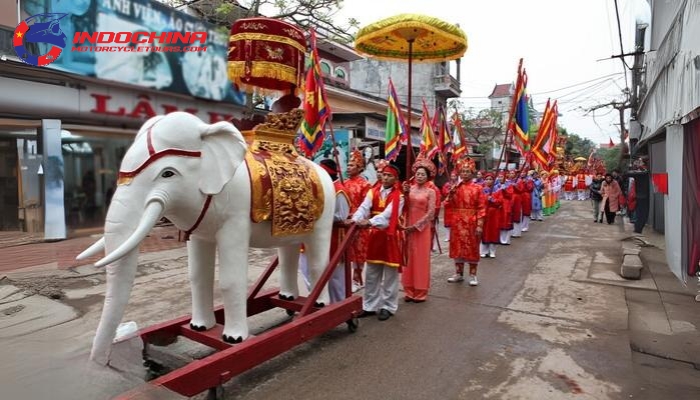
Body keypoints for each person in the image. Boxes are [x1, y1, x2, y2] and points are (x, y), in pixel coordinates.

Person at [348, 163, 404, 321]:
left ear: (395, 178)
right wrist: (355, 220)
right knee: (372, 273)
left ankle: (388, 306)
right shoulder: (373, 192)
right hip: (374, 237)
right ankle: (369, 305)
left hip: (390, 237)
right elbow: (363, 207)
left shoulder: (399, 196)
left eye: (389, 176)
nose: (385, 178)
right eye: (384, 174)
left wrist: (369, 222)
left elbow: (388, 216)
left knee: (390, 275)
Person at [300, 159, 350, 303]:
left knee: (334, 276)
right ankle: (314, 300)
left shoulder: (339, 190)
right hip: (312, 235)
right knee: (308, 270)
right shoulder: (315, 188)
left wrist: (318, 218)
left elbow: (341, 215)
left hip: (333, 236)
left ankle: (338, 305)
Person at [444, 158, 487, 286]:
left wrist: (480, 224)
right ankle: (458, 273)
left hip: (471, 222)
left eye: (467, 171)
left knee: (472, 248)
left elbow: (482, 208)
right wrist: (450, 194)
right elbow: (446, 204)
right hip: (457, 222)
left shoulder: (478, 188)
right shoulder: (455, 187)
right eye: (463, 171)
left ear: (472, 173)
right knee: (457, 248)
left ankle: (473, 275)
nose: (465, 173)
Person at [401, 158, 437, 302]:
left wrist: (416, 226)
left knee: (421, 258)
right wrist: (404, 194)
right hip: (408, 225)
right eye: (418, 174)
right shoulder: (409, 188)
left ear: (427, 177)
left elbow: (431, 213)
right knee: (408, 258)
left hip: (421, 229)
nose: (419, 176)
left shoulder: (431, 192)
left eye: (423, 174)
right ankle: (409, 290)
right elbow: (403, 207)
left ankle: (421, 291)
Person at [344, 150, 372, 292]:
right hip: (345, 221)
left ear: (359, 168)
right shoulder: (344, 183)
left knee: (359, 252)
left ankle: (357, 279)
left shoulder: (365, 185)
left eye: (352, 165)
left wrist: (358, 218)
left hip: (359, 222)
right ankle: (348, 279)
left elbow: (367, 206)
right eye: (347, 165)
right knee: (346, 252)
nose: (348, 168)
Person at [479, 173, 503, 258]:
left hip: (494, 214)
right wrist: (486, 198)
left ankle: (492, 251)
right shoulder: (481, 190)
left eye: (490, 179)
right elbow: (479, 201)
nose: (488, 181)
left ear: (493, 181)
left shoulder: (498, 190)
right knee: (484, 231)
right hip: (484, 213)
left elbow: (500, 201)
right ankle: (484, 251)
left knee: (493, 231)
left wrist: (492, 199)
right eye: (487, 179)